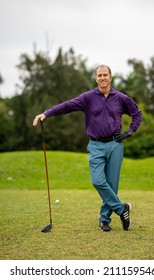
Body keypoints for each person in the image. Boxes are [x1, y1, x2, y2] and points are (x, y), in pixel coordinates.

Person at [33, 65, 142, 232]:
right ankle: (122, 209)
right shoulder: (88, 97)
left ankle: (104, 220)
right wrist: (47, 113)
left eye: (105, 75)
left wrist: (129, 132)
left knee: (112, 184)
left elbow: (137, 113)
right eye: (100, 75)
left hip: (115, 144)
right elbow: (67, 106)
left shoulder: (121, 98)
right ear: (96, 78)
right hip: (96, 145)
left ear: (110, 77)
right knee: (97, 180)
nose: (103, 78)